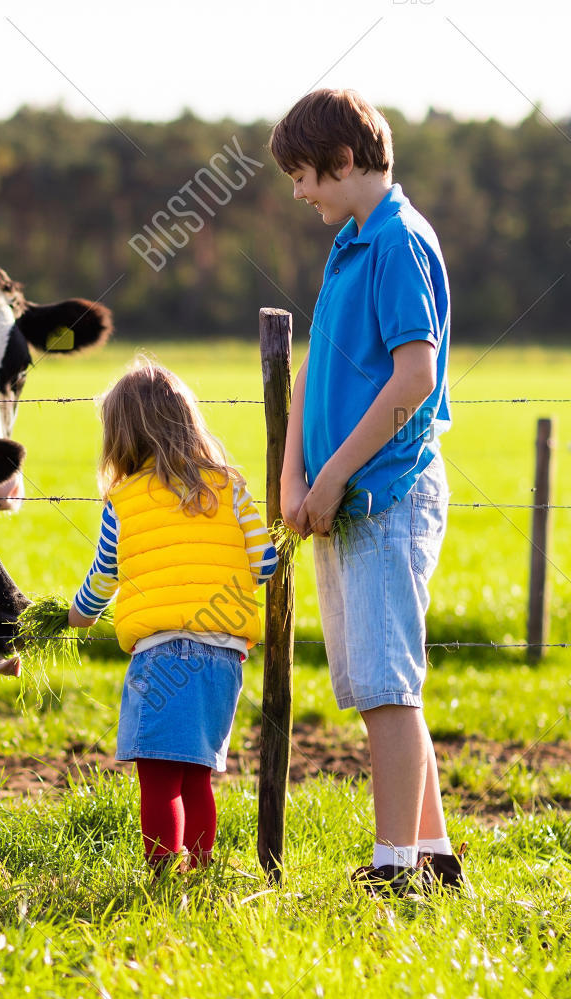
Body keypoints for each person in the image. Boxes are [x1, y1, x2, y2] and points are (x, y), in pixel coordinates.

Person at [270, 88, 467, 895]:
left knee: (388, 686)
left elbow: (416, 376)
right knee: (377, 684)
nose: (299, 192)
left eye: (304, 175)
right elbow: (317, 361)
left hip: (386, 492)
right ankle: (436, 857)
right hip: (339, 495)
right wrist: (293, 474)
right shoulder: (352, 241)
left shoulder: (397, 242)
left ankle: (396, 870)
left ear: (345, 162)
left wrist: (338, 472)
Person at [67, 357, 277, 872]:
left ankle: (160, 874)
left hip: (161, 654)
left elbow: (104, 576)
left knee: (158, 778)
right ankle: (200, 868)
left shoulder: (124, 500)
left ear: (121, 438)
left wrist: (78, 615)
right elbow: (266, 562)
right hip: (225, 655)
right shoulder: (230, 487)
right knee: (197, 774)